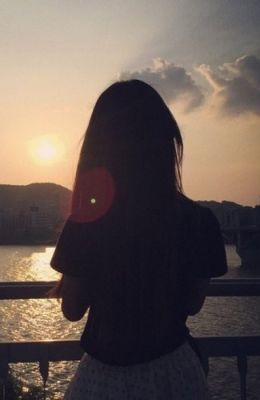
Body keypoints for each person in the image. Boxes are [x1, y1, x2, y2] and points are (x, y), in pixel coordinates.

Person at [50, 80, 227, 399]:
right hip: (176, 374)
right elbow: (192, 304)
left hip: (104, 380)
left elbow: (73, 309)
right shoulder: (199, 221)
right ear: (166, 142)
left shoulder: (87, 221)